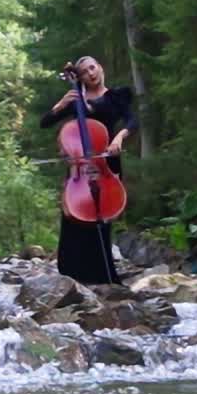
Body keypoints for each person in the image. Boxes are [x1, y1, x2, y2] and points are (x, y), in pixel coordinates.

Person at [39, 55, 138, 285]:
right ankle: (73, 277)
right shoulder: (76, 101)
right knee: (74, 220)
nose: (90, 73)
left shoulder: (116, 96)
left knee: (101, 219)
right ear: (80, 77)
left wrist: (119, 139)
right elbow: (45, 123)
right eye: (84, 72)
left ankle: (103, 276)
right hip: (80, 167)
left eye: (92, 68)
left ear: (100, 68)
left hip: (106, 164)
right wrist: (60, 105)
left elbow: (132, 121)